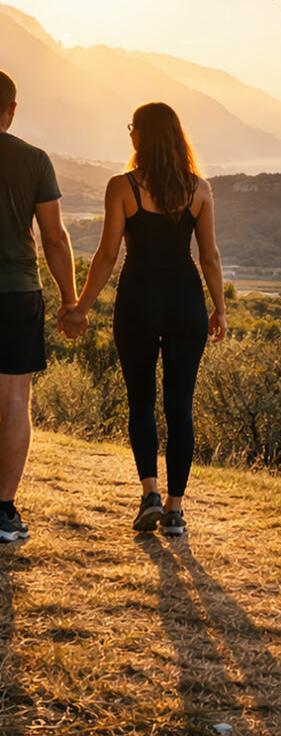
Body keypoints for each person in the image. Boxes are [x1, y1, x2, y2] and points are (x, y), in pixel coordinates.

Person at [62, 102, 226, 536]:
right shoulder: (199, 190)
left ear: (142, 136)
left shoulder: (122, 187)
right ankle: (175, 511)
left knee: (141, 401)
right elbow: (208, 257)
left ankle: (150, 494)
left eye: (132, 128)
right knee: (179, 405)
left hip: (137, 301)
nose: (129, 134)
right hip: (186, 304)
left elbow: (107, 256)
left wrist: (81, 306)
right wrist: (219, 308)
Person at [0, 70, 78, 543]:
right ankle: (3, 512)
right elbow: (54, 236)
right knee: (13, 400)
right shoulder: (34, 160)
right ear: (11, 110)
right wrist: (71, 300)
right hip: (16, 293)